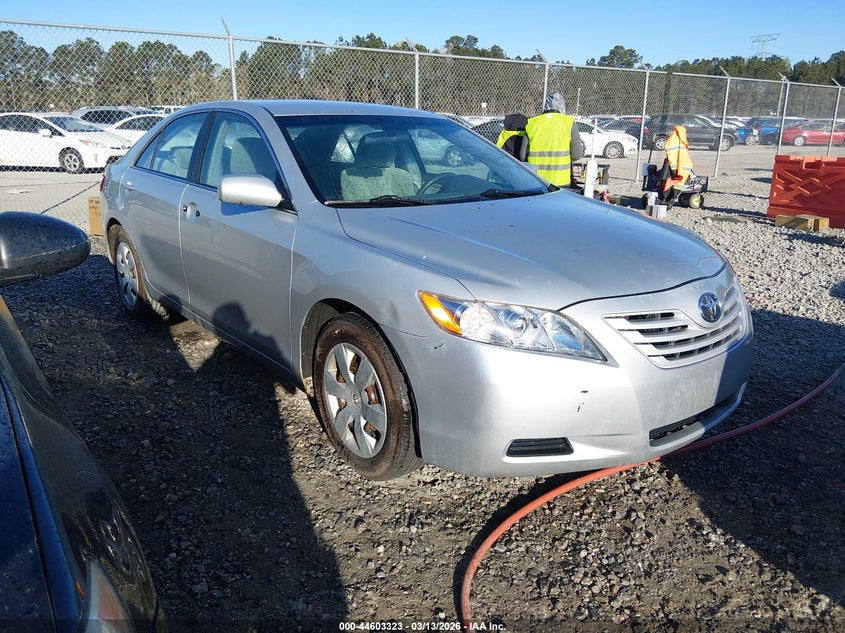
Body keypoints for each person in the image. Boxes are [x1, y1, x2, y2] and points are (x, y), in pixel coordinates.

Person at [524, 92, 584, 187]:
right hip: (560, 181)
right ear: (562, 107)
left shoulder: (532, 123)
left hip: (535, 179)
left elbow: (522, 155)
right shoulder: (569, 123)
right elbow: (577, 155)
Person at [661, 124, 693, 203]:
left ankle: (668, 196)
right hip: (679, 168)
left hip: (673, 165)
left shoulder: (673, 139)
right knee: (679, 181)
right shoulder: (681, 141)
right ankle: (670, 196)